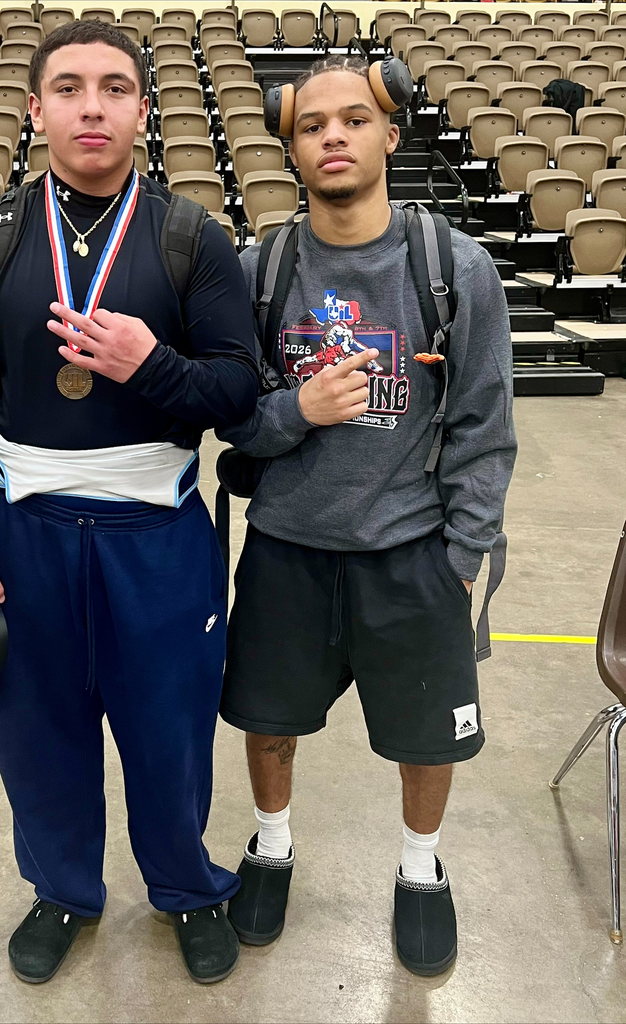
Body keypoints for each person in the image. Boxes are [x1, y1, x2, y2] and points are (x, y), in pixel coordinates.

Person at [0, 20, 258, 985]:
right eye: (68, 88)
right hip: (25, 537)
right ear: (35, 109)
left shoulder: (192, 237)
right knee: (39, 736)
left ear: (143, 113)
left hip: (157, 535)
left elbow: (237, 393)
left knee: (169, 730)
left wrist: (147, 365)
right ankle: (63, 889)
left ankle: (187, 887)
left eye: (115, 88)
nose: (91, 106)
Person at [217, 55, 517, 976]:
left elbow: (482, 427)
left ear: (390, 134)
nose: (334, 136)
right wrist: (293, 413)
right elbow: (229, 419)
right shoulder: (255, 272)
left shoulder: (452, 268)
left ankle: (420, 868)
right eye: (312, 126)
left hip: (410, 554)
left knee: (426, 736)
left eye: (353, 120)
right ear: (290, 145)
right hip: (286, 552)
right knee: (268, 721)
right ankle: (271, 845)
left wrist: (460, 556)